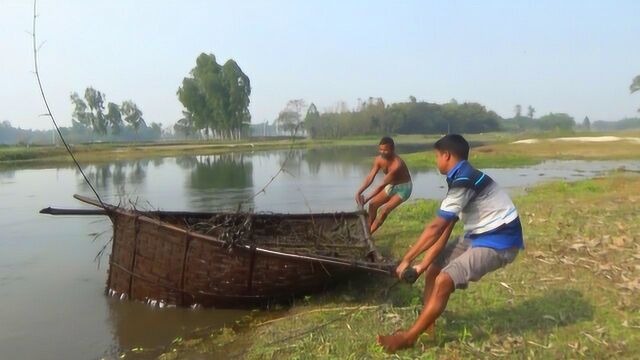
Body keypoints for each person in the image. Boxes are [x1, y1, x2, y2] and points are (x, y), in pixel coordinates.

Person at [376, 134, 524, 353]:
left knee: (444, 280)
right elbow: (446, 228)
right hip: (478, 233)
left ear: (446, 155)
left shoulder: (464, 181)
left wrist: (407, 259)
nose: (436, 161)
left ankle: (408, 338)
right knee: (434, 271)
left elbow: (435, 228)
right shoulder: (460, 177)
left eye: (437, 156)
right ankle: (428, 327)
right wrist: (421, 266)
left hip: (499, 240)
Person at [355, 136, 413, 234]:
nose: (382, 152)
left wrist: (366, 198)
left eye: (385, 150)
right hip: (391, 185)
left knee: (384, 210)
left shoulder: (397, 165)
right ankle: (367, 230)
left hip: (404, 188)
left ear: (392, 149)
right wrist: (359, 192)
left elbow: (381, 186)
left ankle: (369, 234)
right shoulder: (378, 160)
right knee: (372, 205)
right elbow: (370, 177)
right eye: (380, 149)